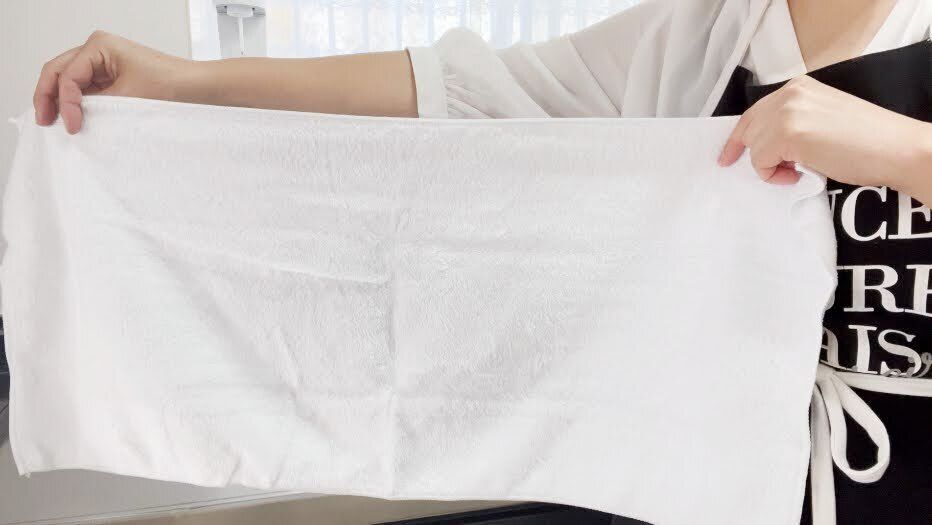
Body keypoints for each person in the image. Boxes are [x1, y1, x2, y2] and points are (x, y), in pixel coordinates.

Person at [31, 0, 932, 523]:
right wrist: (181, 82)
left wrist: (905, 153)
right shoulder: (711, 30)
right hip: (736, 484)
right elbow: (462, 92)